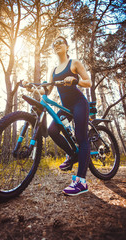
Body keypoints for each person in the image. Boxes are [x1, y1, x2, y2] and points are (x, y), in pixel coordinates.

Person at [25, 36, 92, 196]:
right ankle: (73, 154)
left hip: (79, 103)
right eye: (54, 44)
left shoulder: (74, 63)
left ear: (67, 46)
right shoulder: (54, 70)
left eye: (60, 42)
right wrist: (33, 87)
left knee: (81, 137)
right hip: (65, 107)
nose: (57, 45)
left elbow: (88, 81)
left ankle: (81, 182)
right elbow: (46, 90)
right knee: (52, 130)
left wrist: (75, 80)